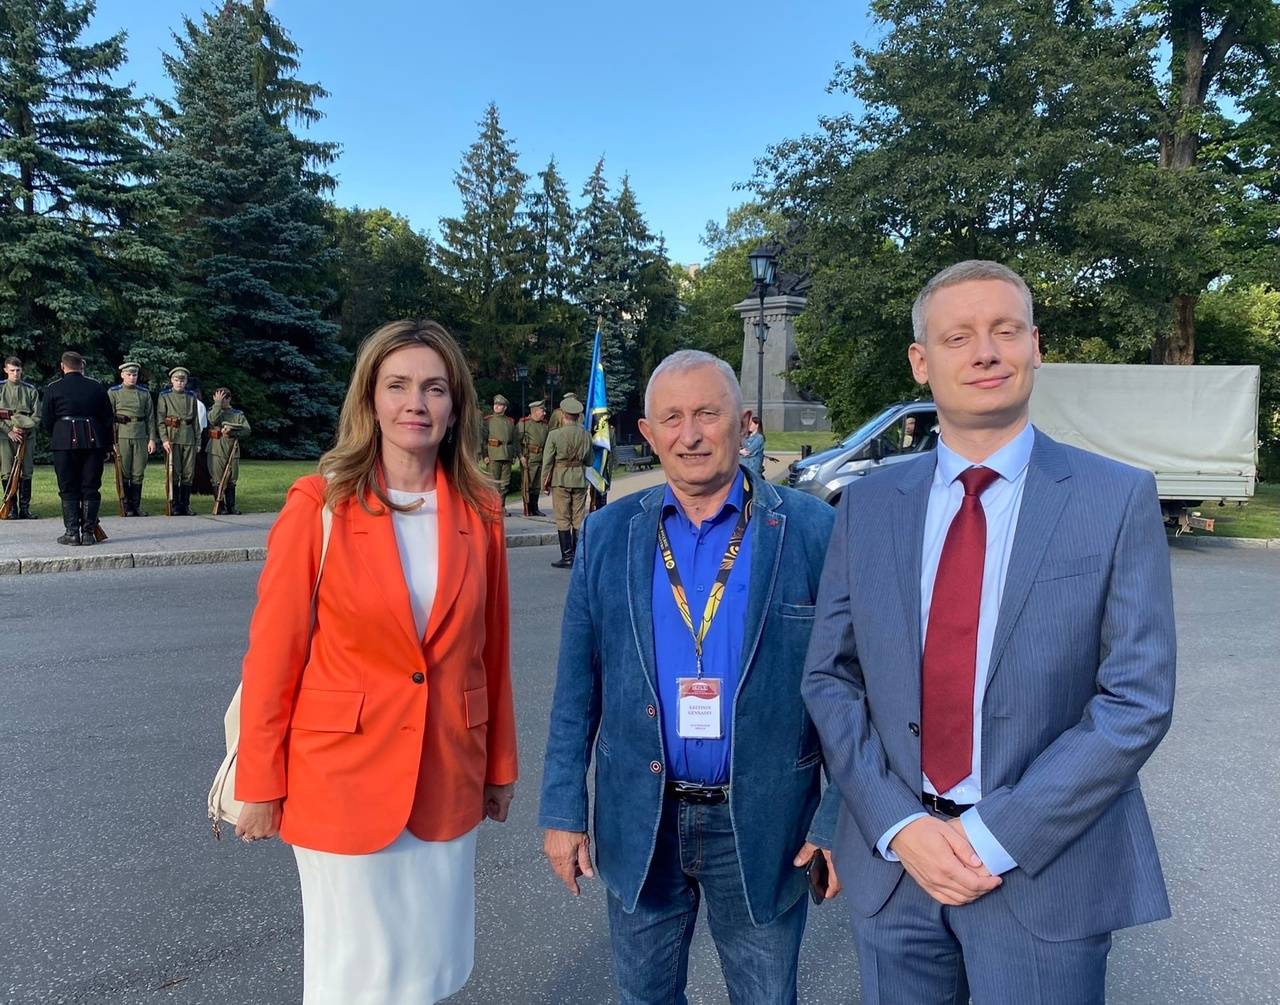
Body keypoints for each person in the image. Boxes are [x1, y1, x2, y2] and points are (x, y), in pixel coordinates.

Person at [802, 260, 1176, 1004]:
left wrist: (992, 835)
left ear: (1036, 345)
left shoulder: (1115, 498)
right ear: (921, 361)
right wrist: (897, 821)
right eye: (959, 336)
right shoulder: (869, 507)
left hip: (1042, 869)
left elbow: (1136, 699)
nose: (985, 352)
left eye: (1005, 330)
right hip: (898, 871)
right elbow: (830, 677)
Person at [539, 350, 842, 1004]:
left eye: (708, 413)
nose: (691, 434)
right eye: (672, 418)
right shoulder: (608, 534)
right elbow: (575, 693)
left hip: (765, 823)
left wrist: (837, 816)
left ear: (743, 422)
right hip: (641, 821)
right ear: (648, 433)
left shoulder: (813, 529)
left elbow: (853, 686)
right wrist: (563, 810)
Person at [235, 319, 518, 1005]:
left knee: (429, 970)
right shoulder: (320, 504)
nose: (415, 402)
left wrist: (499, 766)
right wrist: (259, 781)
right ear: (370, 399)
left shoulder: (481, 510)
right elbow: (273, 655)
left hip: (447, 772)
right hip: (342, 782)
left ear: (455, 406)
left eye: (433, 388)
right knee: (354, 977)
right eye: (397, 385)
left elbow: (492, 653)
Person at [39, 351, 112, 545]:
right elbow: (107, 419)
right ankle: (88, 533)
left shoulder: (53, 388)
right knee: (91, 486)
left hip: (64, 441)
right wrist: (106, 446)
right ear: (82, 366)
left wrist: (58, 434)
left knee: (68, 486)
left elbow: (47, 420)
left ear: (62, 366)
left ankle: (72, 532)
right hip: (93, 441)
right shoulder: (96, 387)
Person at [540, 395, 591, 569]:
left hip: (560, 479)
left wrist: (544, 483)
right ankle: (578, 556)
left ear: (563, 414)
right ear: (578, 416)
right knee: (578, 518)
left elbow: (547, 461)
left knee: (562, 518)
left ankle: (567, 556)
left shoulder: (554, 434)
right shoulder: (586, 435)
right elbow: (590, 460)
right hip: (579, 479)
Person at [108, 361, 158, 517]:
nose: (132, 377)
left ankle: (136, 505)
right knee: (124, 472)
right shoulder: (114, 392)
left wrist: (152, 439)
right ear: (122, 375)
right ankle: (126, 506)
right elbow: (108, 419)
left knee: (138, 471)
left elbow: (150, 418)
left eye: (134, 374)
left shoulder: (144, 393)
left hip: (140, 435)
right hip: (122, 435)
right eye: (129, 374)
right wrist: (111, 442)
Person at [1, 356, 40, 519]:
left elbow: (37, 415)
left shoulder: (30, 390)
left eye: (18, 370)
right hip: (5, 436)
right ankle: (11, 508)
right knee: (7, 471)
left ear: (22, 370)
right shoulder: (1, 389)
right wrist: (9, 430)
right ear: (5, 370)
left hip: (26, 435)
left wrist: (25, 428)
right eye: (12, 370)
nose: (15, 373)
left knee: (26, 471)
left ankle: (25, 508)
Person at [157, 366, 199, 515]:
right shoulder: (165, 396)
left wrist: (198, 441)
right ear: (172, 381)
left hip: (188, 437)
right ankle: (174, 505)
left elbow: (195, 421)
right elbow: (160, 420)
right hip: (172, 437)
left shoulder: (191, 396)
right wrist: (164, 439)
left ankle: (185, 505)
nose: (179, 383)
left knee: (188, 473)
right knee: (174, 472)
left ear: (186, 381)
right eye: (176, 380)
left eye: (182, 380)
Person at [207, 387, 250, 514]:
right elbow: (213, 420)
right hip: (216, 449)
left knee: (232, 478)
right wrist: (217, 404)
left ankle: (231, 506)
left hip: (232, 448)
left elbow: (247, 430)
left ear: (229, 399)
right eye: (218, 398)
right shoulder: (213, 410)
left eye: (224, 399)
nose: (222, 401)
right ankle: (220, 506)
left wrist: (232, 432)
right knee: (217, 478)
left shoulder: (237, 414)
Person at [481, 393, 516, 510]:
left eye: (499, 405)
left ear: (505, 407)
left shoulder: (510, 421)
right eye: (495, 404)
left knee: (505, 483)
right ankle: (494, 507)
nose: (496, 406)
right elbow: (483, 440)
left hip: (507, 455)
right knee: (494, 483)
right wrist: (485, 455)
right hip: (493, 454)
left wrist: (514, 455)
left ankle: (501, 506)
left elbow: (514, 440)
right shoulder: (488, 421)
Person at [516, 399, 549, 516]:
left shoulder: (544, 425)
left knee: (537, 485)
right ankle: (528, 507)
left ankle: (535, 507)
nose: (544, 413)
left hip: (541, 457)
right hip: (529, 458)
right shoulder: (524, 424)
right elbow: (517, 442)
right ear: (535, 411)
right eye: (542, 410)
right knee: (527, 484)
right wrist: (520, 457)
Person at [739, 414, 765, 479]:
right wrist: (740, 451)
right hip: (742, 468)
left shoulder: (759, 438)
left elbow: (748, 451)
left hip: (752, 468)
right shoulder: (745, 437)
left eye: (751, 424)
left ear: (757, 425)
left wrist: (739, 451)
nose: (748, 426)